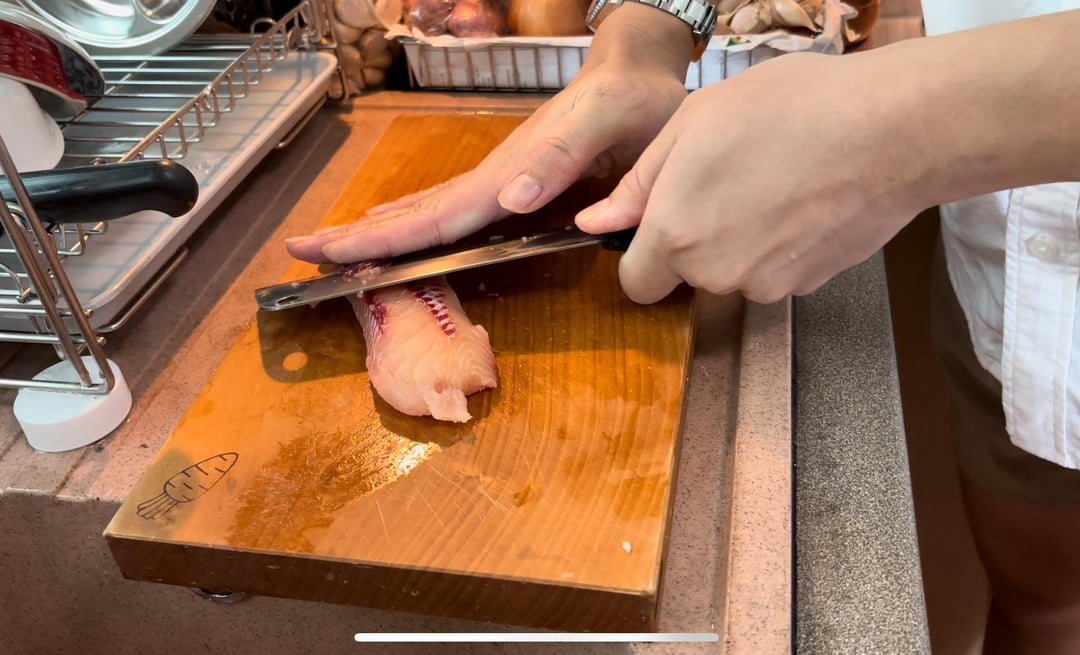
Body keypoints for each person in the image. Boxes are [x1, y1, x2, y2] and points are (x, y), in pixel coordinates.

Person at [286, 1, 1080, 651]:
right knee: (1046, 607)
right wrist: (643, 37)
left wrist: (897, 126)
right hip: (1003, 272)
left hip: (983, 177)